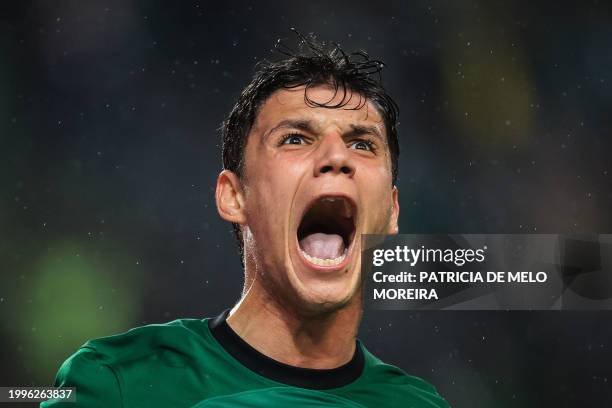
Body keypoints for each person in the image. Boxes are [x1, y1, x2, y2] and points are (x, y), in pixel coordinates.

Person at [42, 33, 451, 407]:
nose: (336, 158)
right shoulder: (117, 381)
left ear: (392, 210)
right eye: (295, 138)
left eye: (361, 144)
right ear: (234, 196)